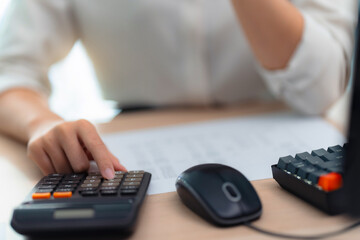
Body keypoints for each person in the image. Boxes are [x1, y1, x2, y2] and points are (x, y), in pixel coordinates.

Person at [0, 0, 357, 179]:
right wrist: (41, 123)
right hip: (136, 154)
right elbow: (11, 71)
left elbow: (320, 89)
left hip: (281, 147)